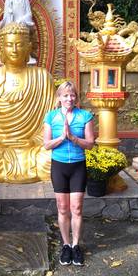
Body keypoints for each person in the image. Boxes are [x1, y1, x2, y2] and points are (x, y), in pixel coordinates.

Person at [0, 22, 55, 183]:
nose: (15, 50)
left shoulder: (42, 77)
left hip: (34, 149)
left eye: (19, 44)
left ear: (29, 47)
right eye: (9, 45)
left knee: (51, 160)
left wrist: (34, 140)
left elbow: (53, 119)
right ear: (1, 48)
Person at [43, 81, 94, 266]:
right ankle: (65, 245)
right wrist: (62, 138)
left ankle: (75, 245)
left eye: (72, 95)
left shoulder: (85, 116)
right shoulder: (51, 117)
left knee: (77, 208)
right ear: (59, 98)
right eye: (65, 95)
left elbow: (90, 144)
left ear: (76, 98)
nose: (69, 98)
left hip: (78, 166)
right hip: (59, 166)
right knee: (63, 208)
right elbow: (46, 144)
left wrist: (73, 138)